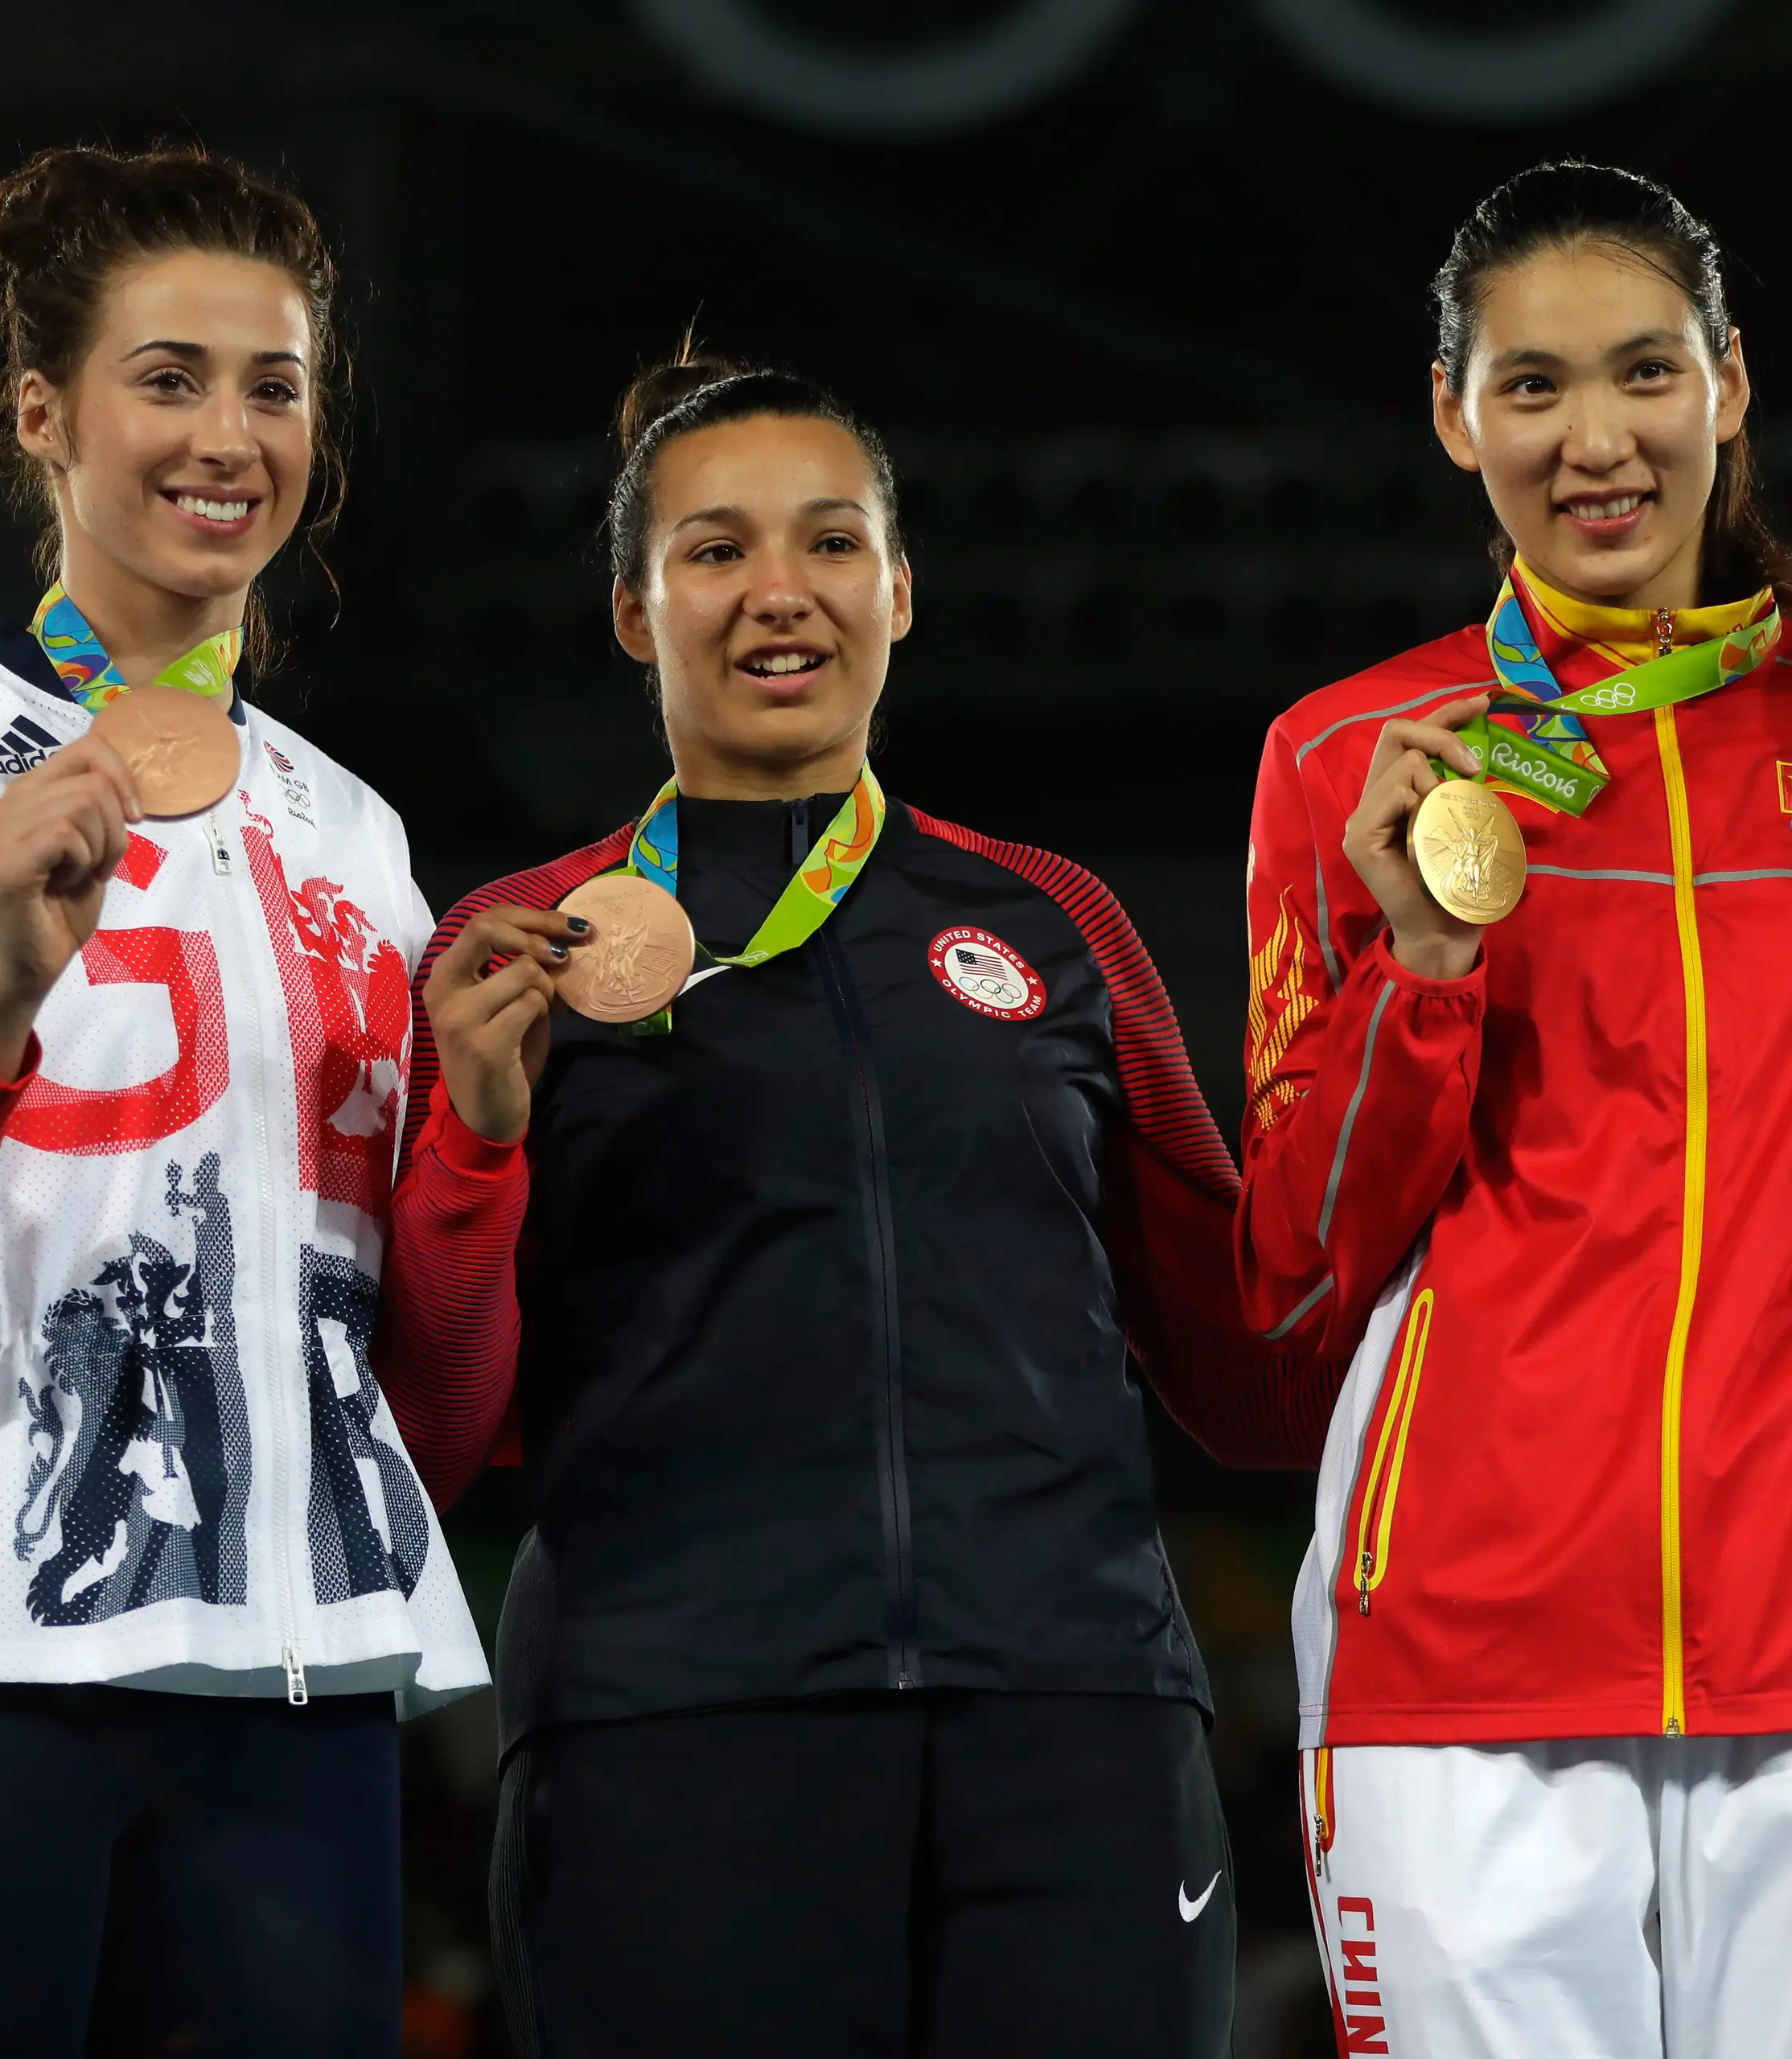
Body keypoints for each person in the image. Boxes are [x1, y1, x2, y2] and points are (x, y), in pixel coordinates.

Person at [375, 351, 1339, 2057]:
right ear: (630, 607)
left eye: (830, 542)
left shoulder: (1054, 922)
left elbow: (1257, 1384)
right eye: (713, 550)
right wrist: (476, 1137)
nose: (778, 593)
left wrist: (1404, 1006)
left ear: (899, 586)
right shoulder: (516, 950)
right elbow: (434, 1442)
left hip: (1073, 1726)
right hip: (670, 1727)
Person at [1238, 159, 1792, 2056]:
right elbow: (1294, 1262)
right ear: (1454, 416)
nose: (1599, 439)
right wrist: (1419, 967)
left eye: (1647, 372)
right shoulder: (1355, 759)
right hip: (1461, 1646)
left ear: (1729, 384)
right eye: (1533, 387)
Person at [0, 145, 483, 2057]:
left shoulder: (357, 832)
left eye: (276, 385)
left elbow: (412, 1339)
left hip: (291, 1687)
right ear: (43, 413)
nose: (230, 434)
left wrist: (486, 1133)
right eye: (170, 377)